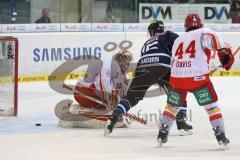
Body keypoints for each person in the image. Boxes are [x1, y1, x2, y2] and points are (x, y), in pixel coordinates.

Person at [157, 13, 234, 149]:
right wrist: (223, 53)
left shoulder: (178, 40)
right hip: (198, 79)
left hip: (176, 79)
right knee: (212, 107)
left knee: (172, 107)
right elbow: (215, 38)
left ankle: (162, 134)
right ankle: (220, 135)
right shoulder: (203, 32)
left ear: (185, 26)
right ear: (200, 25)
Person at [104, 20, 193, 136]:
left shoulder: (146, 43)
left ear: (152, 31)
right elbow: (182, 45)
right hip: (162, 66)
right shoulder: (168, 35)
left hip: (142, 68)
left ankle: (115, 115)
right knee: (178, 91)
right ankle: (181, 123)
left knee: (131, 97)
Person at [62, 50, 133, 128]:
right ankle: (74, 116)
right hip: (83, 91)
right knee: (110, 110)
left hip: (95, 94)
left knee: (113, 111)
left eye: (128, 63)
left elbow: (123, 93)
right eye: (126, 63)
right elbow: (104, 85)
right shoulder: (107, 65)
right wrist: (112, 105)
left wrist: (122, 107)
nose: (128, 65)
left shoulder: (121, 73)